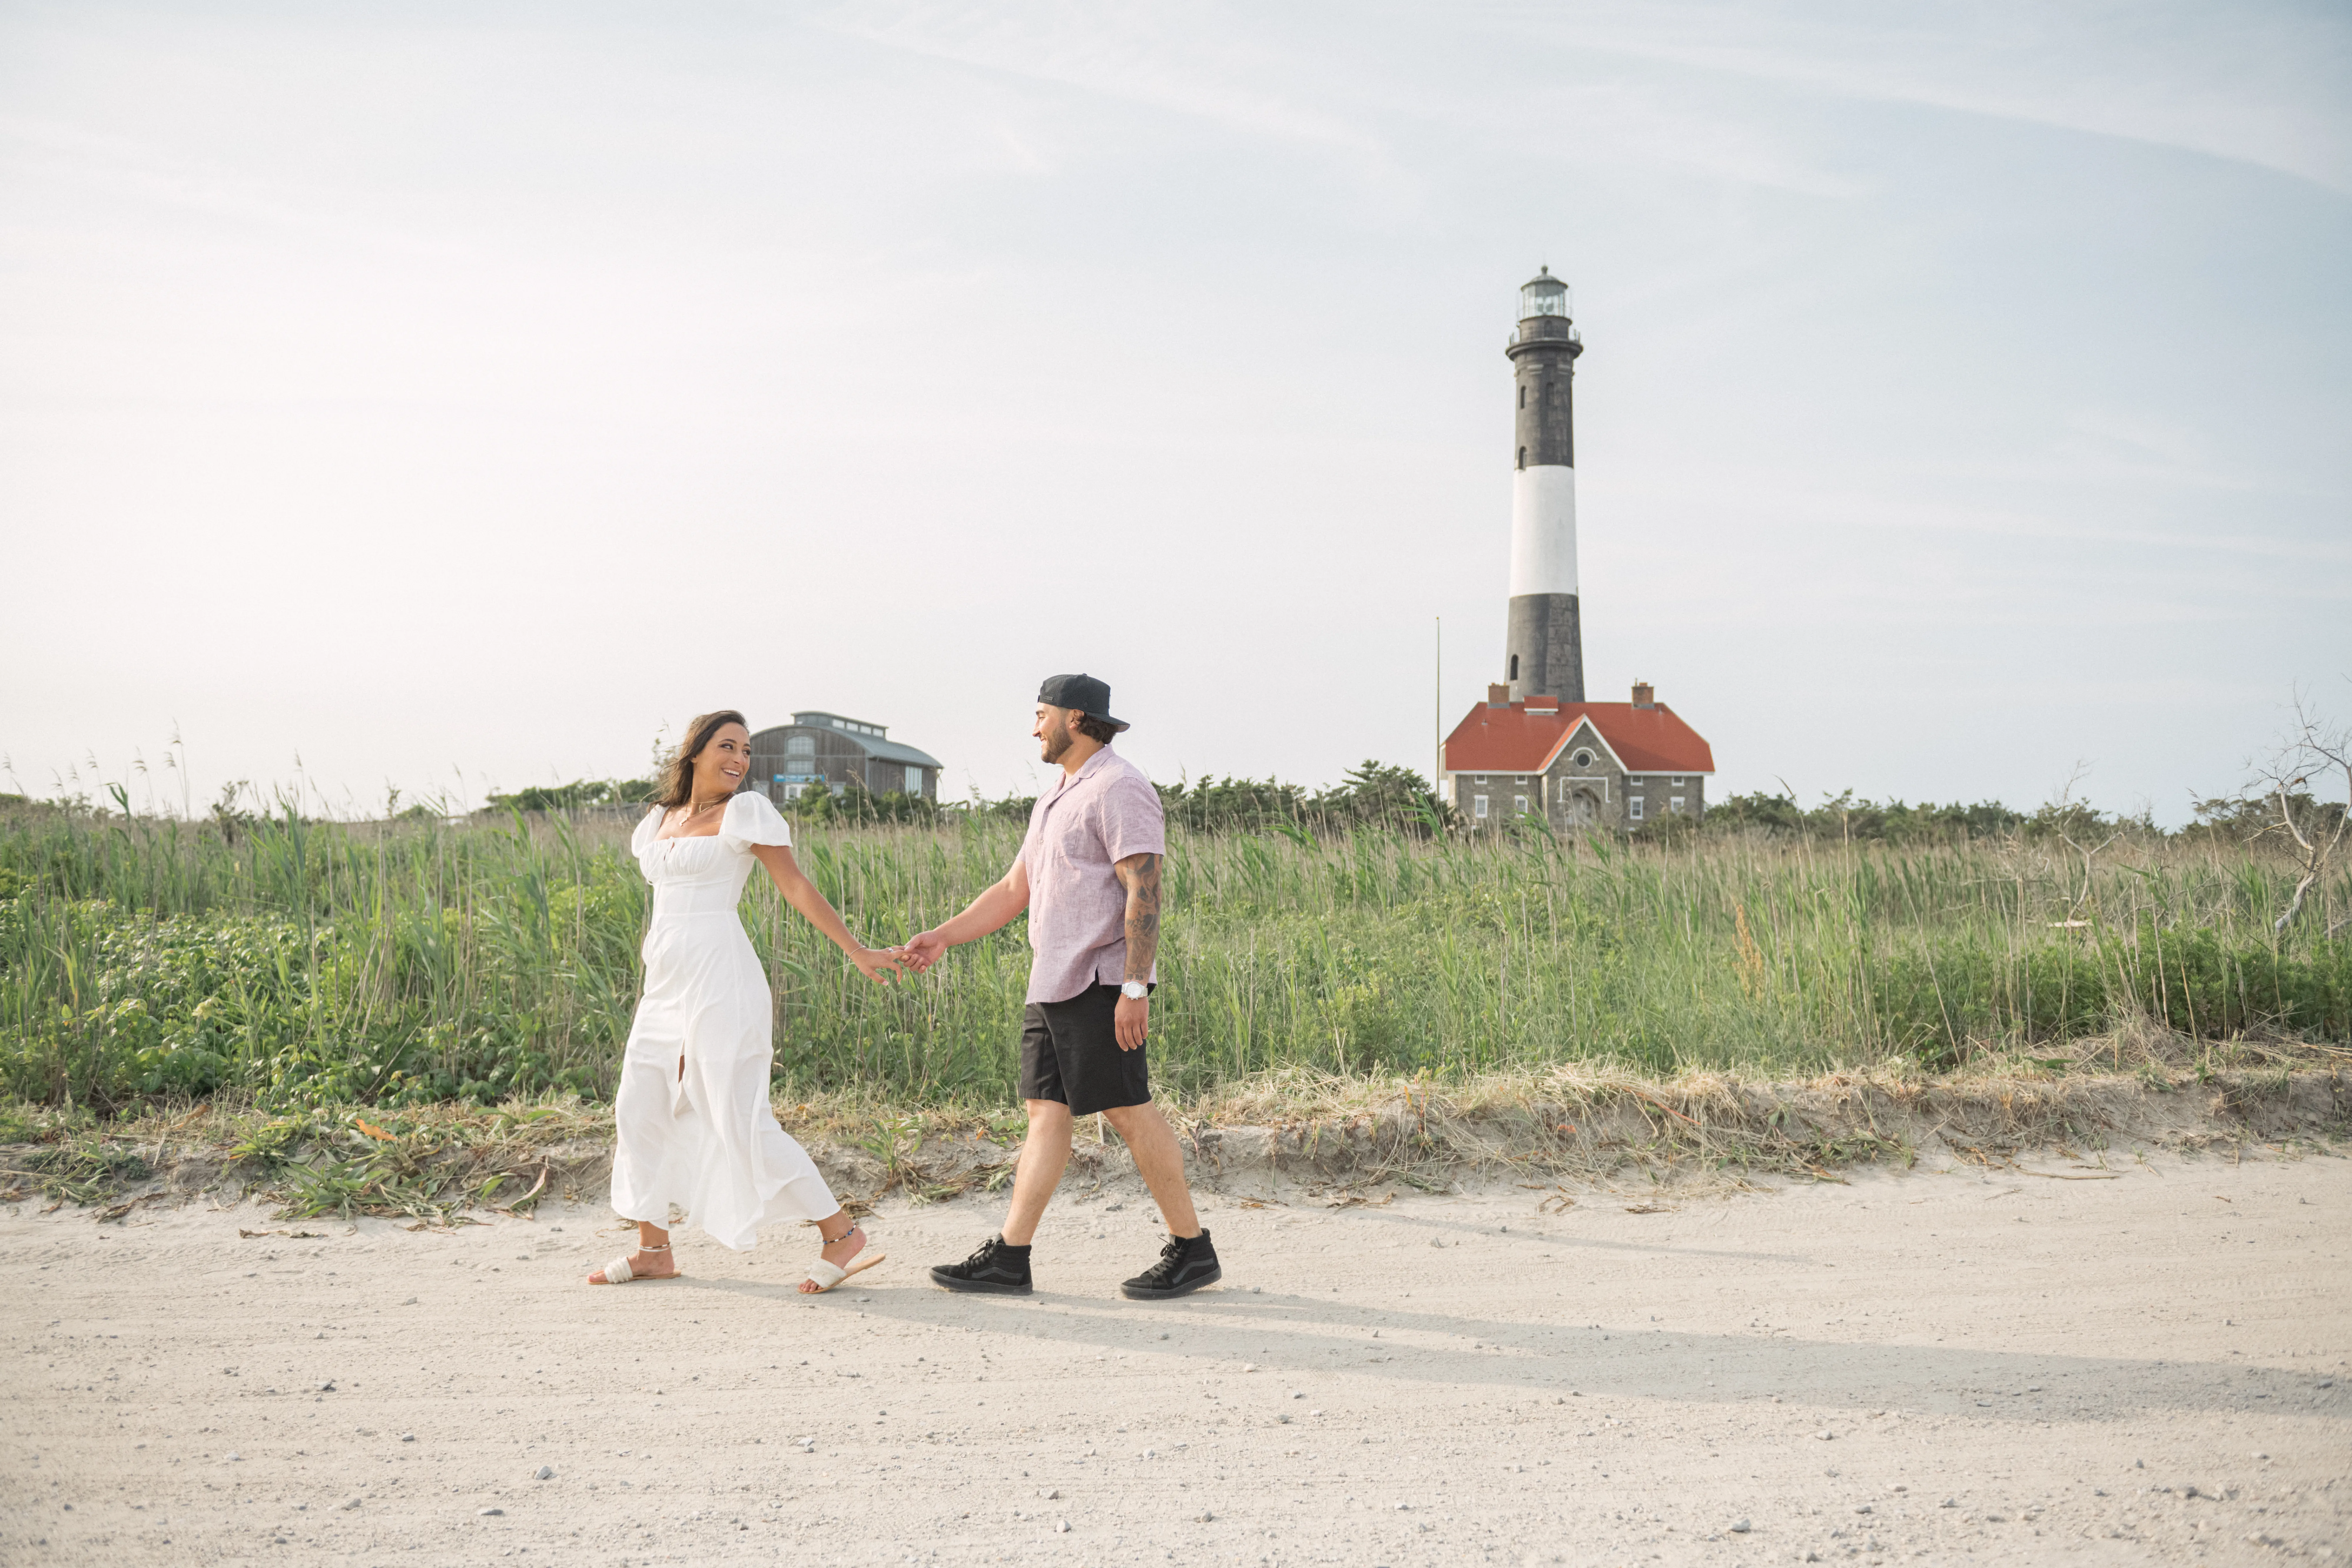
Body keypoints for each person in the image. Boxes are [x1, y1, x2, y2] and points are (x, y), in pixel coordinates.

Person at [902, 675, 1222, 1300]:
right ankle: (1010, 1257)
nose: (1034, 728)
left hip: (1100, 980)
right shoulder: (1056, 797)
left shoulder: (1119, 786)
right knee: (1046, 1114)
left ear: (1075, 718)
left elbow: (1145, 888)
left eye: (1041, 714)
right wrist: (943, 935)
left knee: (1128, 1108)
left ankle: (1192, 1248)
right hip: (1051, 980)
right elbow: (1012, 890)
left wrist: (1135, 985)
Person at [589, 709, 900, 1294]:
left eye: (747, 751)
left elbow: (794, 884)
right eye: (727, 747)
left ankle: (840, 1232)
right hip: (665, 981)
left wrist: (856, 950)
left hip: (720, 976)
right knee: (640, 1104)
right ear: (695, 752)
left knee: (735, 1111)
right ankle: (653, 1247)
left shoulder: (746, 812)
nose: (739, 760)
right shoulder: (659, 819)